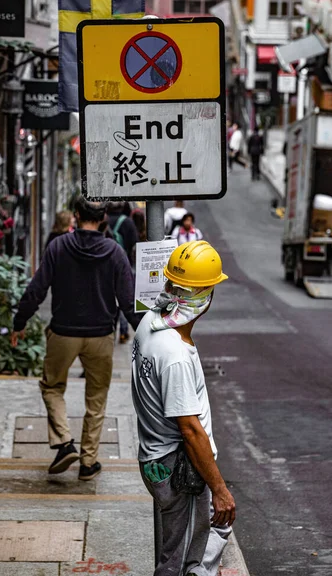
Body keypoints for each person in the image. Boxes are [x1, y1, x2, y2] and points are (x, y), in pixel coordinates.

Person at [11, 196, 141, 481]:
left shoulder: (59, 246)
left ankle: (64, 442)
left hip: (63, 333)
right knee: (96, 397)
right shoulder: (115, 252)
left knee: (52, 386)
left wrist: (19, 322)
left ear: (76, 215)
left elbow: (37, 289)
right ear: (103, 216)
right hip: (100, 336)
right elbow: (128, 302)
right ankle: (88, 461)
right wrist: (145, 335)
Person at [132, 240, 236, 576]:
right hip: (178, 469)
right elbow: (190, 430)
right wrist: (219, 489)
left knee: (189, 546)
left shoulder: (149, 322)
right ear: (204, 297)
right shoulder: (175, 356)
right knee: (181, 561)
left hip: (156, 460)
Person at [106, 202, 139, 343]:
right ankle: (124, 332)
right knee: (125, 298)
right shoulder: (127, 222)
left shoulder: (103, 220)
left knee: (108, 298)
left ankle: (110, 328)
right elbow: (134, 243)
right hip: (124, 265)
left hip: (106, 264)